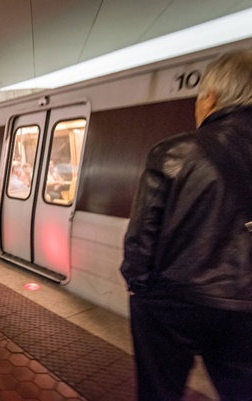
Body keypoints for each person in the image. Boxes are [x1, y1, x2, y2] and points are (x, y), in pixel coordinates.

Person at [120, 51, 252, 401]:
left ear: (210, 98)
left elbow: (140, 241)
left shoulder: (173, 151)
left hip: (171, 305)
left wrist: (140, 290)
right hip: (246, 310)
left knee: (159, 393)